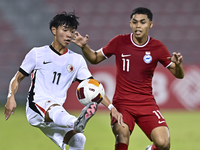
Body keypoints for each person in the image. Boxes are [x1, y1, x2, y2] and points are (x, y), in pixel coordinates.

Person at [4, 11, 123, 150]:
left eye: (72, 31)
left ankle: (76, 123)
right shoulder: (37, 53)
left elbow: (94, 87)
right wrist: (10, 96)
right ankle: (75, 122)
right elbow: (17, 78)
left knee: (78, 139)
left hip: (57, 113)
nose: (69, 35)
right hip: (36, 107)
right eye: (65, 30)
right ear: (54, 30)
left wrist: (111, 107)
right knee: (57, 111)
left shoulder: (77, 60)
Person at [73, 7, 184, 150]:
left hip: (146, 103)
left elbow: (179, 74)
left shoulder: (157, 47)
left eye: (142, 22)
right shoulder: (119, 41)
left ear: (150, 24)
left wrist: (179, 65)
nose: (138, 26)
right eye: (135, 22)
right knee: (122, 134)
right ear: (130, 24)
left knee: (163, 143)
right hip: (122, 104)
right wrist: (84, 47)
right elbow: (94, 58)